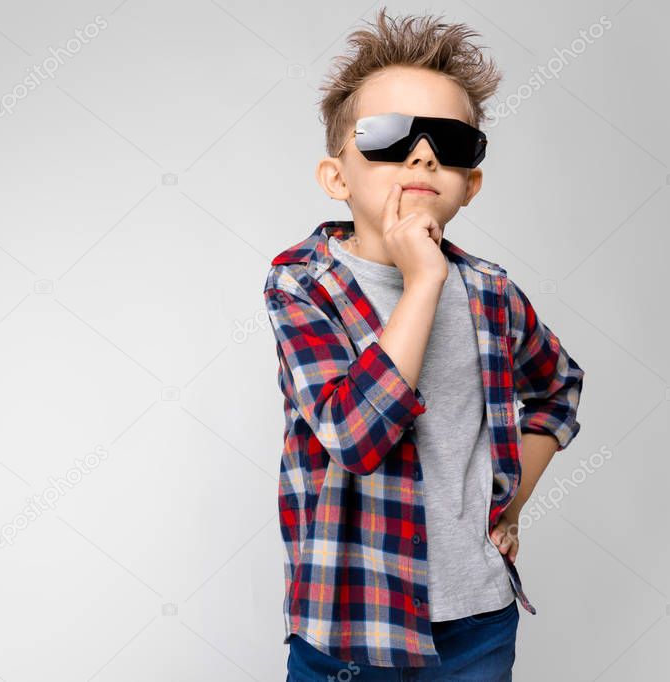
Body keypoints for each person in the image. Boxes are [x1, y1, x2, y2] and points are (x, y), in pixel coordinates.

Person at [262, 8, 585, 680]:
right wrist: (423, 281)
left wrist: (509, 502)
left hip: (476, 626)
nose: (422, 155)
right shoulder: (301, 285)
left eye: (449, 142)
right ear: (336, 177)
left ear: (469, 185)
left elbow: (557, 388)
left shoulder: (491, 294)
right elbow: (356, 437)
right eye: (387, 136)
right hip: (348, 627)